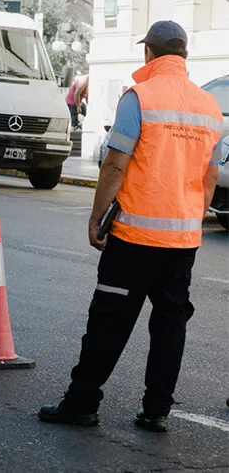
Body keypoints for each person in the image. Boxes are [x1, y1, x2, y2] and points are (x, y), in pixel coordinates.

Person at [39, 21, 224, 433]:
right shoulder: (210, 107)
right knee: (170, 323)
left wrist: (96, 217)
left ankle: (82, 403)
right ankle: (156, 410)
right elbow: (210, 177)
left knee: (109, 320)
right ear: (185, 55)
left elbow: (117, 162)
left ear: (149, 53)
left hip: (135, 237)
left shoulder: (139, 97)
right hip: (182, 240)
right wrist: (191, 216)